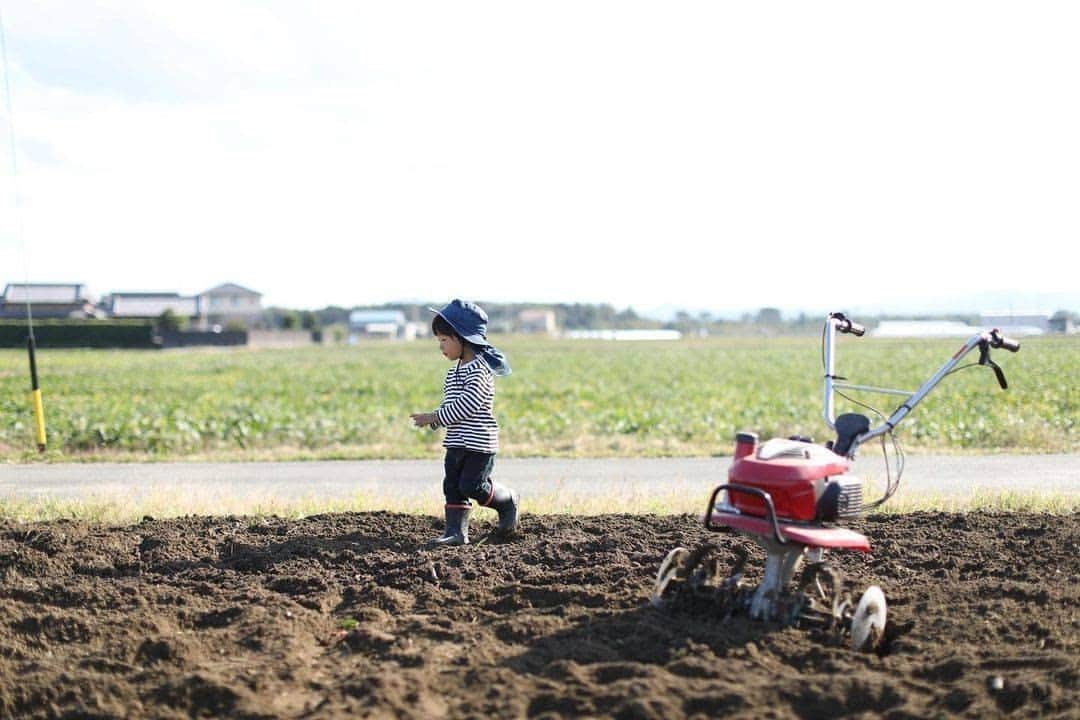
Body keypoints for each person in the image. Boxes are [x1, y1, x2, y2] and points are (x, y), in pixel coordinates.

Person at [410, 299, 519, 545]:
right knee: (452, 485)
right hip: (457, 441)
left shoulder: (480, 370)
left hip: (479, 444)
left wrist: (434, 417)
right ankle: (456, 532)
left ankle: (507, 499)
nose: (440, 347)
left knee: (472, 485)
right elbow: (452, 404)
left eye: (444, 340)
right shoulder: (455, 370)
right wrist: (435, 417)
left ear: (462, 337)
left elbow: (467, 405)